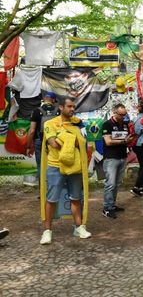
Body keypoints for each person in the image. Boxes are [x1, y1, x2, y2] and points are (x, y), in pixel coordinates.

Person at [40, 97, 91, 245]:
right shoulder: (49, 123)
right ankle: (47, 231)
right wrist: (72, 139)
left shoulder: (78, 124)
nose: (72, 109)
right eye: (69, 106)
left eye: (73, 106)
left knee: (76, 198)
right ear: (61, 107)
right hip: (55, 166)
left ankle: (79, 227)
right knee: (51, 200)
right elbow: (53, 144)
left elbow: (83, 142)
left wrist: (65, 137)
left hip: (75, 166)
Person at [101, 103, 134, 218]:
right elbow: (108, 142)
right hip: (111, 158)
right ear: (114, 112)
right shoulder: (107, 124)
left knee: (117, 184)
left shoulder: (125, 124)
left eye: (124, 115)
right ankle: (106, 208)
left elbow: (127, 139)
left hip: (122, 157)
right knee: (110, 184)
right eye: (120, 115)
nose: (123, 117)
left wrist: (130, 140)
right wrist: (123, 141)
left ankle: (112, 205)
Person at [25, 92, 58, 187]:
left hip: (40, 141)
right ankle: (55, 189)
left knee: (41, 166)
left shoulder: (36, 111)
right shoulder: (58, 111)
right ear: (53, 100)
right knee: (56, 164)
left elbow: (31, 131)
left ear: (45, 99)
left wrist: (28, 146)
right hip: (55, 142)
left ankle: (42, 191)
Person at [130, 101, 143, 197]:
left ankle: (140, 187)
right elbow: (138, 131)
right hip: (141, 144)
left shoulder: (137, 117)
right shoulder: (142, 118)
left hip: (139, 144)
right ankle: (137, 187)